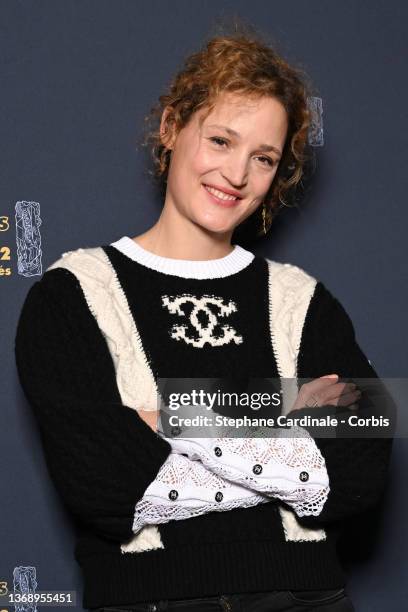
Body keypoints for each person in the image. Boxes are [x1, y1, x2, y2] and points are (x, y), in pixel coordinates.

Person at [14, 28, 393, 612]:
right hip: (149, 600)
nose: (236, 175)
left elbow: (359, 467)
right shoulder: (75, 294)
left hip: (308, 597)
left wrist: (166, 417)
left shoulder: (299, 299)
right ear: (170, 129)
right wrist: (285, 418)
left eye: (262, 158)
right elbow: (106, 484)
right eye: (220, 140)